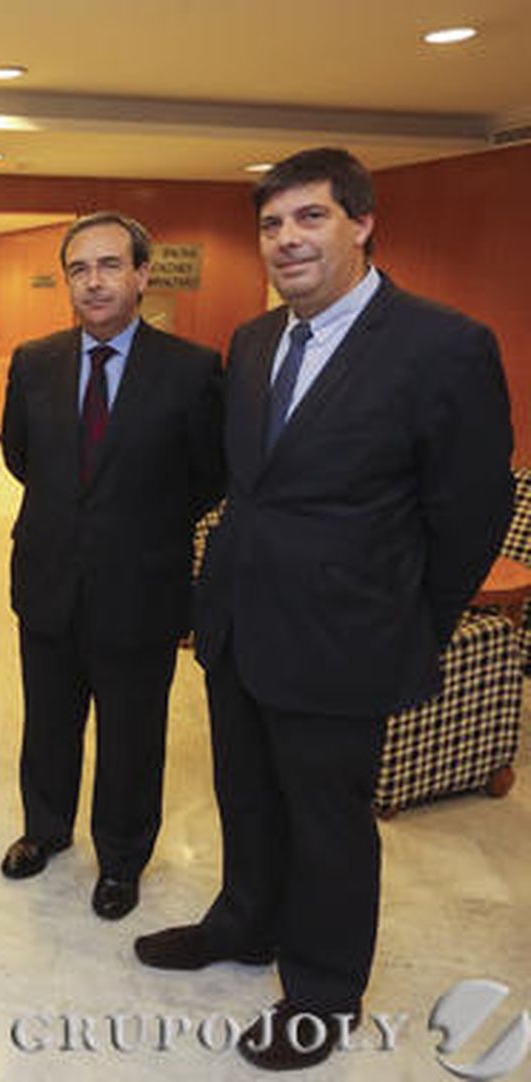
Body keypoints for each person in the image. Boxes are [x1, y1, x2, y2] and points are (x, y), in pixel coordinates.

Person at [134, 148, 514, 1071]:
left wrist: (411, 622)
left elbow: (471, 513)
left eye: (310, 218)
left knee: (328, 825)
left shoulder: (442, 345)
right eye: (272, 224)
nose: (287, 240)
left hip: (344, 640)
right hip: (239, 625)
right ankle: (243, 922)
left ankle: (321, 993)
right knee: (245, 794)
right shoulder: (258, 341)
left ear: (362, 223)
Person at [0, 212, 223, 920]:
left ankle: (122, 859)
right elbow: (24, 459)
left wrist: (137, 523)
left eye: (108, 266)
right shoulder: (35, 361)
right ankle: (45, 830)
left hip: (141, 587)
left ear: (141, 275)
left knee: (132, 735)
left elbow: (208, 476)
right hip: (49, 579)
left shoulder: (192, 369)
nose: (93, 282)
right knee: (48, 722)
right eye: (79, 269)